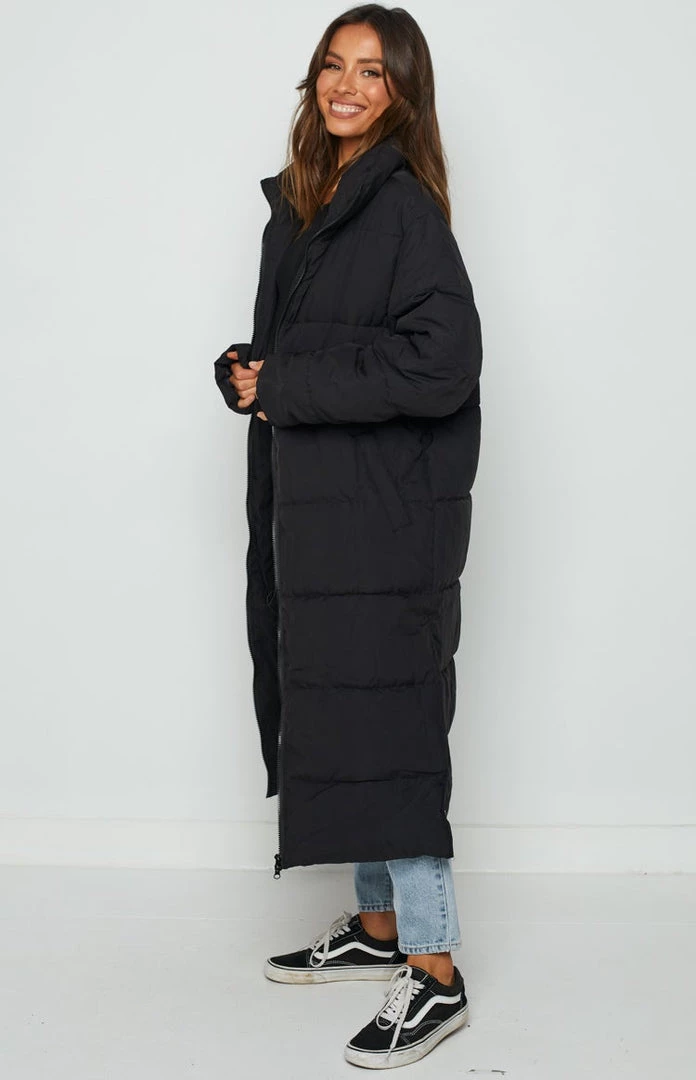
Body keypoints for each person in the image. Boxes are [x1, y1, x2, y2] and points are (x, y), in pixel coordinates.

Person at [214, 4, 482, 1068]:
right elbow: (311, 353)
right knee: (347, 718)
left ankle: (436, 971)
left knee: (393, 731)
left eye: (373, 71)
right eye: (334, 65)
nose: (347, 86)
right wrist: (251, 372)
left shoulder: (402, 207)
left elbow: (442, 364)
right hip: (322, 513)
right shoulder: (307, 203)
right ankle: (379, 929)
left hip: (384, 521)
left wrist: (290, 383)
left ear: (402, 92)